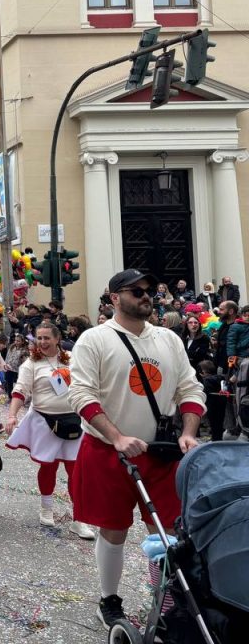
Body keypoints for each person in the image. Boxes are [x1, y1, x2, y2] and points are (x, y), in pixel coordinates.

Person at [67, 268, 206, 630]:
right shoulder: (94, 340)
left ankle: (163, 604)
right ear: (114, 298)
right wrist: (116, 437)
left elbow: (190, 390)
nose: (147, 295)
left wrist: (189, 432)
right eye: (136, 290)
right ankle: (109, 600)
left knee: (166, 534)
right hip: (108, 451)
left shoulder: (168, 340)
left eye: (149, 290)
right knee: (113, 530)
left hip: (160, 454)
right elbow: (81, 394)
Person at [4, 323, 94, 539]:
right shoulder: (31, 364)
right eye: (39, 338)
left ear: (57, 339)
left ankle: (79, 519)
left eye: (46, 338)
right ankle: (46, 508)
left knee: (76, 470)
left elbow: (90, 382)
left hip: (73, 421)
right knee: (48, 466)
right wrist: (12, 415)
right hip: (45, 422)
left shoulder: (73, 358)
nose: (42, 342)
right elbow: (20, 391)